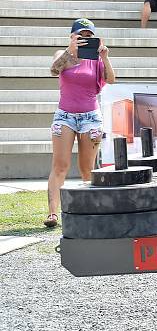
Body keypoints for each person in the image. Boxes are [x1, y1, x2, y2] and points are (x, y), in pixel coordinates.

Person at [44, 18, 116, 228]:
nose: (84, 39)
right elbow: (54, 70)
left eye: (88, 36)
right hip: (65, 115)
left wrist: (105, 57)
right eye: (80, 35)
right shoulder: (62, 55)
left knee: (87, 168)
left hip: (90, 117)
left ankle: (89, 210)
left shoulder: (96, 59)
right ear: (72, 36)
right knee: (60, 166)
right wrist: (70, 50)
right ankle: (52, 214)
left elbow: (110, 79)